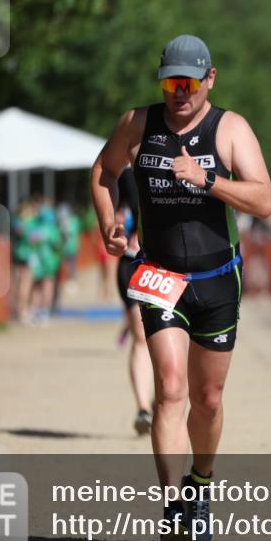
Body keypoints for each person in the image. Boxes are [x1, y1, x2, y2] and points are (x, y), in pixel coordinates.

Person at [90, 35, 271, 541]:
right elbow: (104, 172)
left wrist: (207, 179)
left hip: (217, 278)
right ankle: (173, 506)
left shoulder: (230, 128)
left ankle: (201, 483)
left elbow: (264, 200)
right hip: (159, 276)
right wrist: (109, 223)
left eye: (188, 84)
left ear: (209, 79)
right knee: (170, 390)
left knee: (208, 399)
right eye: (170, 82)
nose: (178, 93)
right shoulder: (138, 124)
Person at [115, 167, 154, 435]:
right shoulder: (125, 174)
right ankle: (143, 408)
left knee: (172, 339)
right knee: (141, 335)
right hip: (133, 262)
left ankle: (164, 398)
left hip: (171, 267)